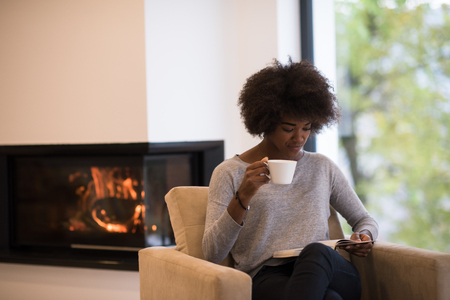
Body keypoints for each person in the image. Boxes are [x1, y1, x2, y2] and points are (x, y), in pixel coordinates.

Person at [202, 59, 378, 300]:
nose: (299, 137)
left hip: (329, 268)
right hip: (268, 277)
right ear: (266, 122)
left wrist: (365, 236)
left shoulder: (322, 167)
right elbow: (211, 252)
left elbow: (364, 220)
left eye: (306, 127)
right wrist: (243, 196)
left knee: (316, 252)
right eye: (288, 128)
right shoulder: (230, 172)